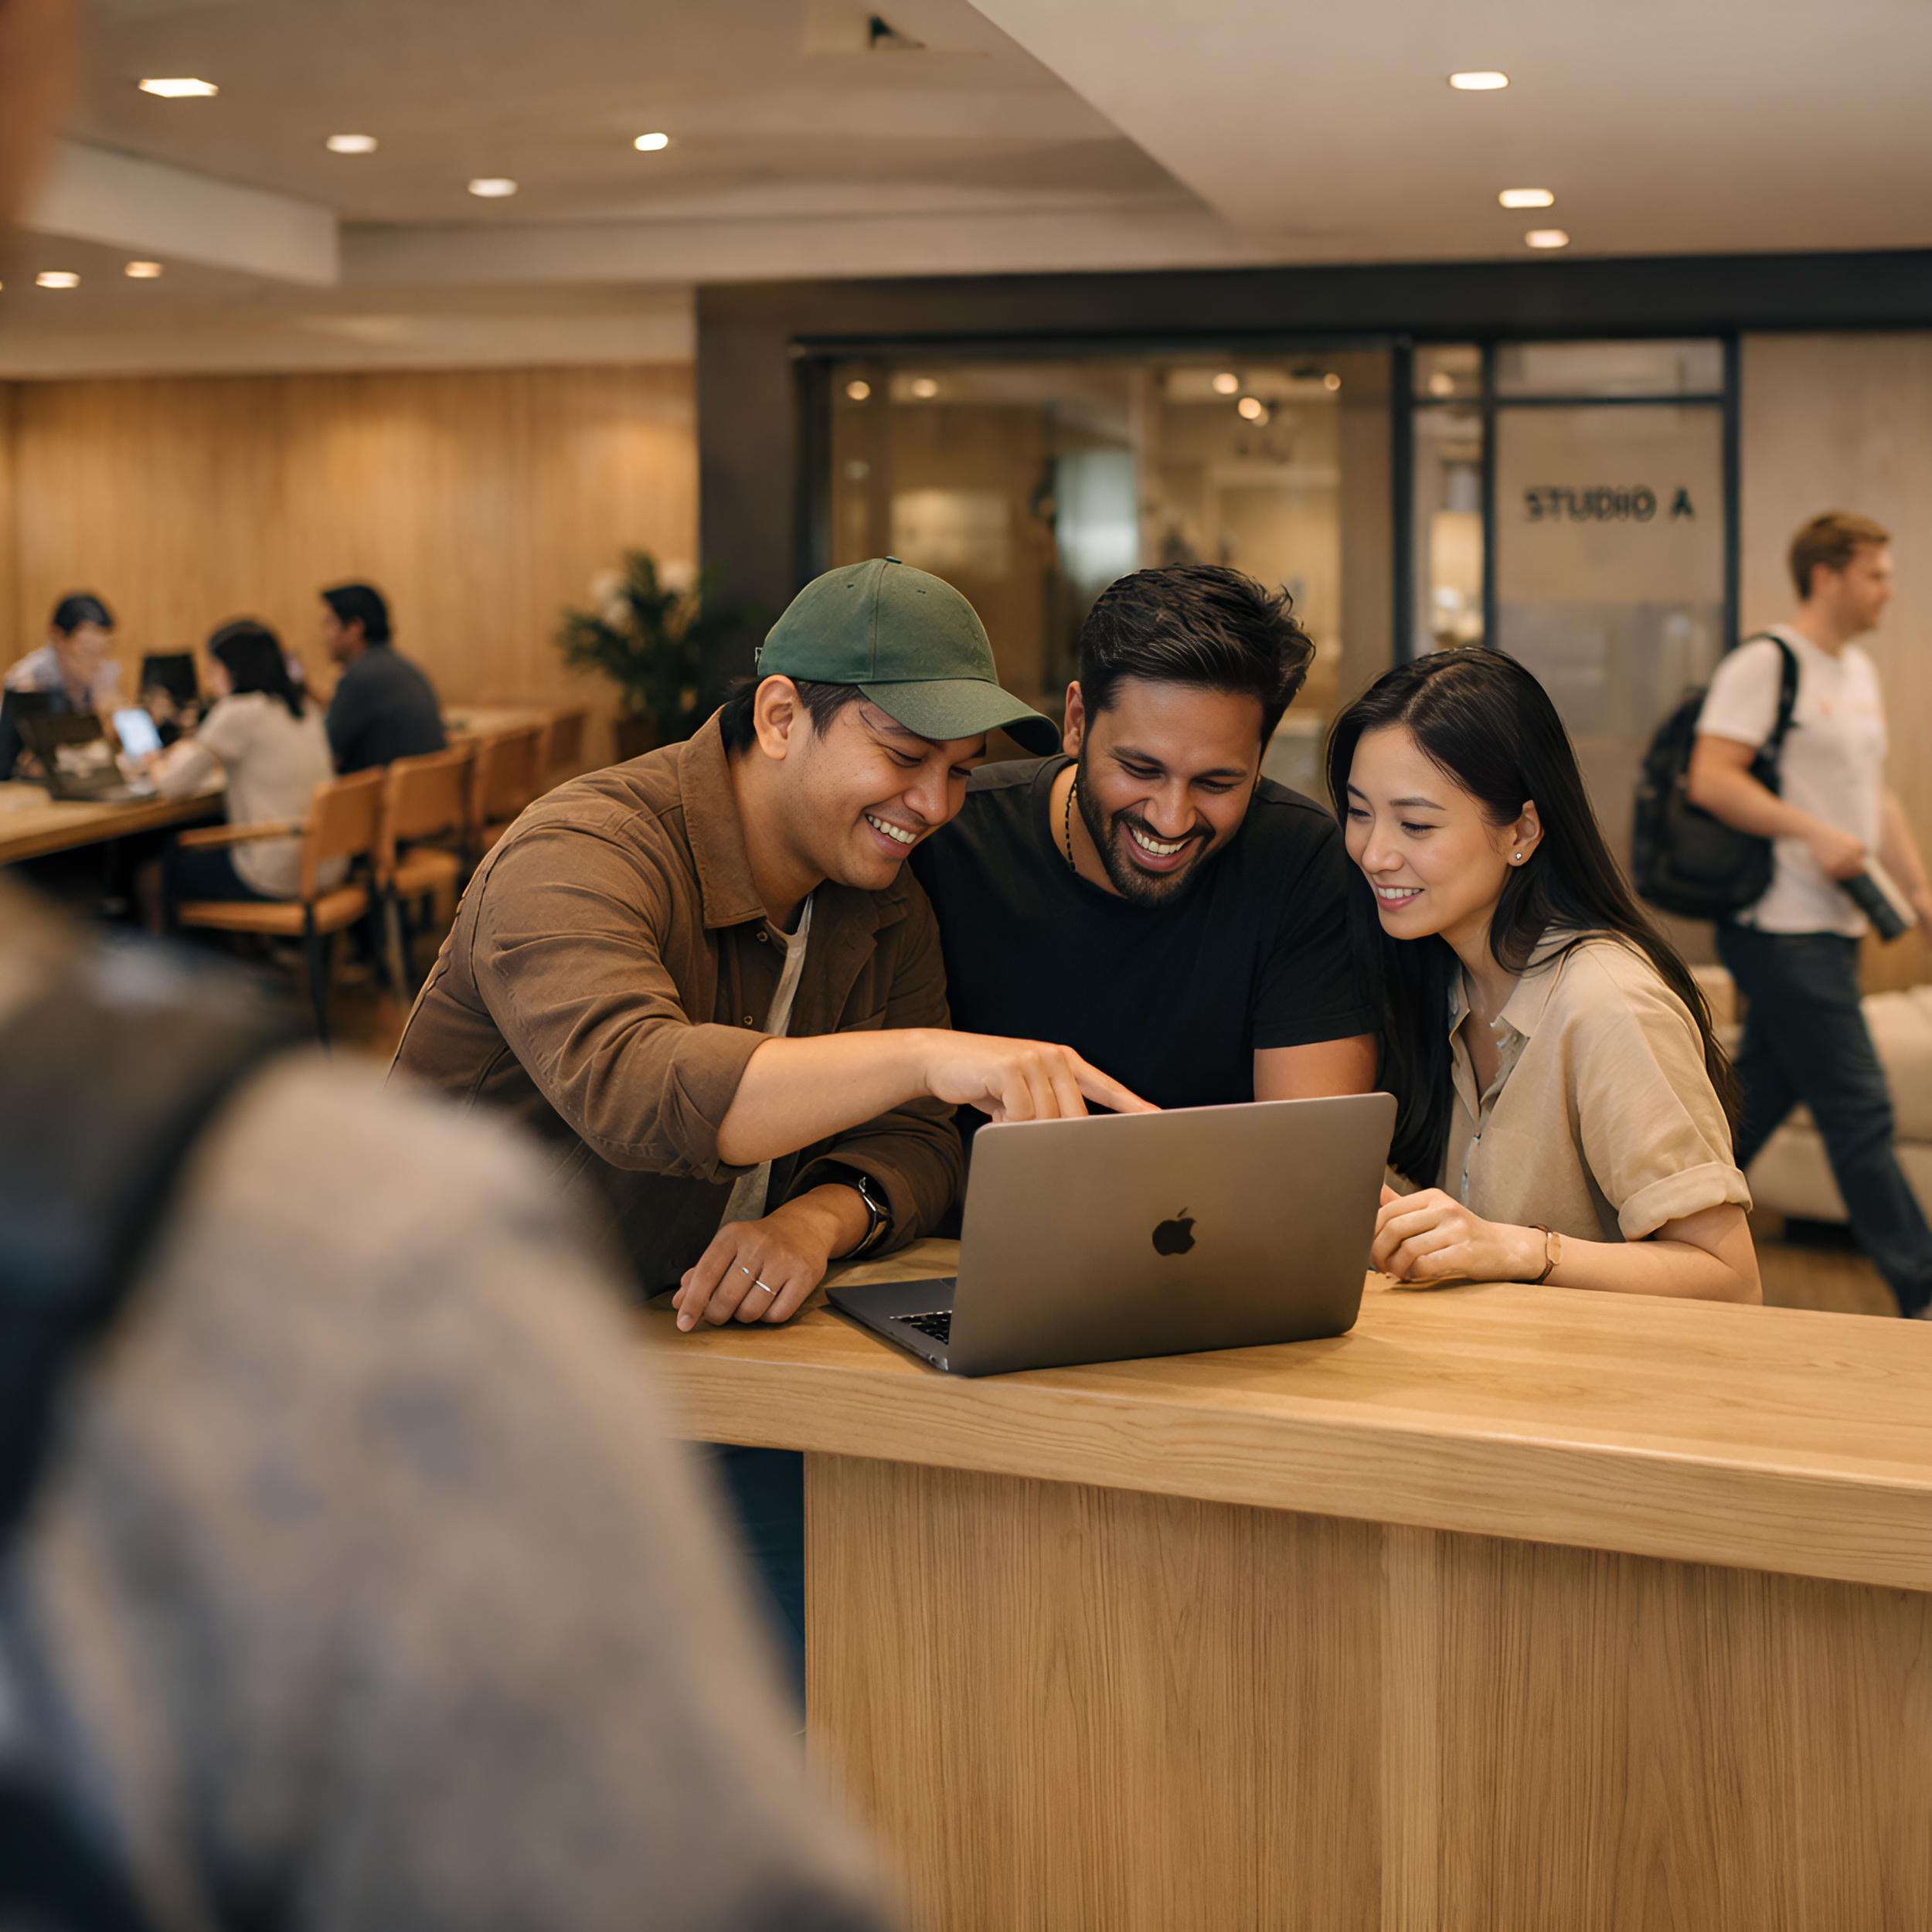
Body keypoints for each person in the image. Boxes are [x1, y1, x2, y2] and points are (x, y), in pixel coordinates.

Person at [391, 556, 1151, 1684]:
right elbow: (640, 1089)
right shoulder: (581, 850)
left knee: (903, 1646)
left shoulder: (876, 902)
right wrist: (933, 1055)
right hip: (438, 1402)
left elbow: (919, 1145)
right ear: (783, 714)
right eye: (903, 760)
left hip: (676, 1379)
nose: (936, 808)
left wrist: (819, 1222)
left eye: (957, 773)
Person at [1332, 648, 1760, 1303]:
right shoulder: (1439, 973)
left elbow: (1731, 1284)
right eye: (1360, 813)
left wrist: (1518, 1248)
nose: (1373, 852)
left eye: (1415, 824)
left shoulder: (1607, 1003)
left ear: (1522, 832)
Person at [910, 563, 1378, 1123]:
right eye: (1140, 769)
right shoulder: (949, 834)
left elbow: (1308, 1157)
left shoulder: (1296, 857)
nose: (1172, 819)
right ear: (1078, 721)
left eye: (1217, 782)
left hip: (1220, 1213)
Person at [1688, 512, 1932, 1318]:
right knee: (1859, 1108)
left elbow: (1874, 797)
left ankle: (1645, 1229)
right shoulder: (1766, 662)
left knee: (1760, 1095)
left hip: (1834, 926)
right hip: (1776, 924)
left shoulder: (1855, 672)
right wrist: (1809, 831)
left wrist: (1917, 885)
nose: (1887, 589)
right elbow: (1711, 778)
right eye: (1876, 574)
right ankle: (1923, 1291)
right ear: (1825, 575)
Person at [138, 619, 342, 927]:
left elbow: (173, 786)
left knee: (150, 876)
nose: (209, 680)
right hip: (328, 865)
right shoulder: (305, 708)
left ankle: (168, 972)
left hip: (275, 875)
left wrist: (153, 763)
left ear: (229, 669)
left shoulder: (239, 711)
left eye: (212, 669)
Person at [320, 581, 445, 773]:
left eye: (329, 623)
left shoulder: (360, 678)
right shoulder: (402, 667)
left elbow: (325, 745)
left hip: (386, 798)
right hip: (428, 794)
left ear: (354, 628)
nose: (324, 635)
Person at [1, 591, 120, 779]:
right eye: (88, 651)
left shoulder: (102, 671)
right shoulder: (28, 681)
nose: (97, 663)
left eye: (104, 651)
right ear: (57, 637)